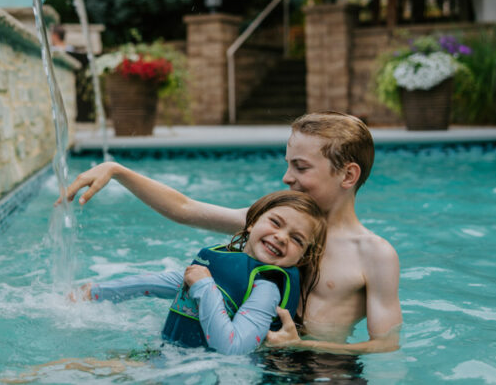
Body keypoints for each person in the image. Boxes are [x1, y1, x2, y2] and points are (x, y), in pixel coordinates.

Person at [65, 111, 402, 354]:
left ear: (348, 175)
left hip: (325, 374)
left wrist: (302, 346)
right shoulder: (271, 226)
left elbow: (385, 345)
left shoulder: (374, 254)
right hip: (254, 360)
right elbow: (184, 209)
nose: (286, 177)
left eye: (300, 167)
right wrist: (118, 171)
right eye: (287, 164)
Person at [76, 190, 327, 355]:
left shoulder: (266, 288)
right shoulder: (222, 258)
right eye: (275, 222)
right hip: (174, 359)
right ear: (252, 222)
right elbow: (163, 282)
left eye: (296, 239)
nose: (281, 237)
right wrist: (97, 292)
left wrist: (205, 288)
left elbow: (232, 348)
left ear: (303, 255)